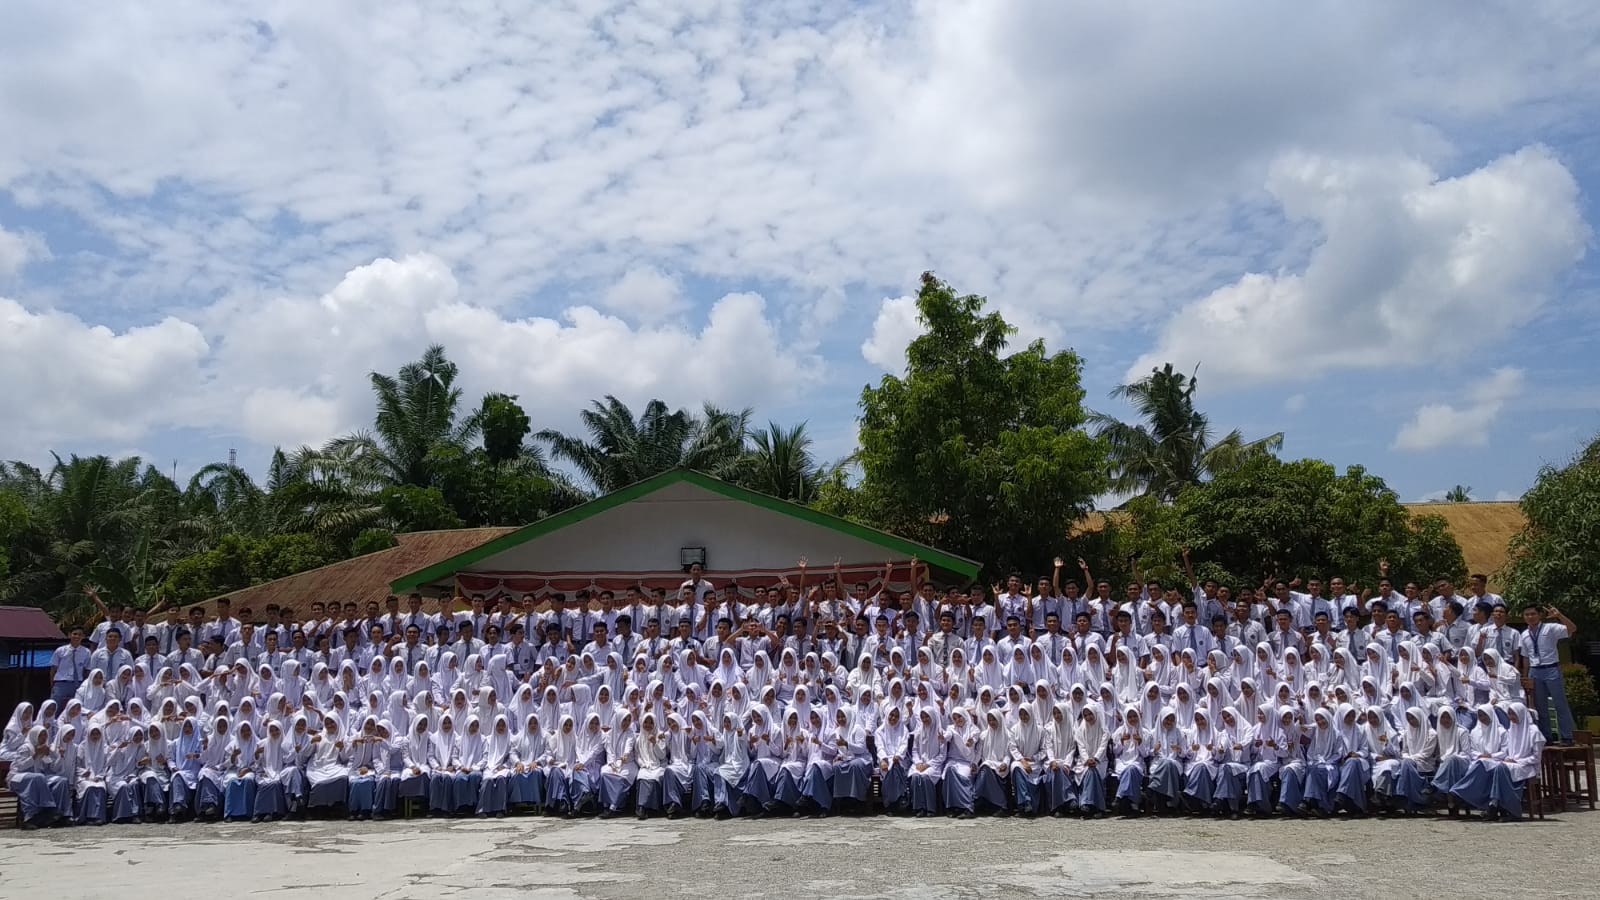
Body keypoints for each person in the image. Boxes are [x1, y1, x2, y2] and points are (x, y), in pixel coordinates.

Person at [1519, 603, 1578, 745]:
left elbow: (1572, 629)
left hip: (1551, 668)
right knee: (1540, 706)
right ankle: (1547, 736)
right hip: (1535, 671)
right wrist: (1526, 675)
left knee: (1559, 703)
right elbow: (1526, 657)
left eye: (1533, 614)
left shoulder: (1550, 628)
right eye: (1527, 615)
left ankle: (1567, 736)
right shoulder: (1524, 634)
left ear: (1539, 615)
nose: (1530, 617)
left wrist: (1559, 616)